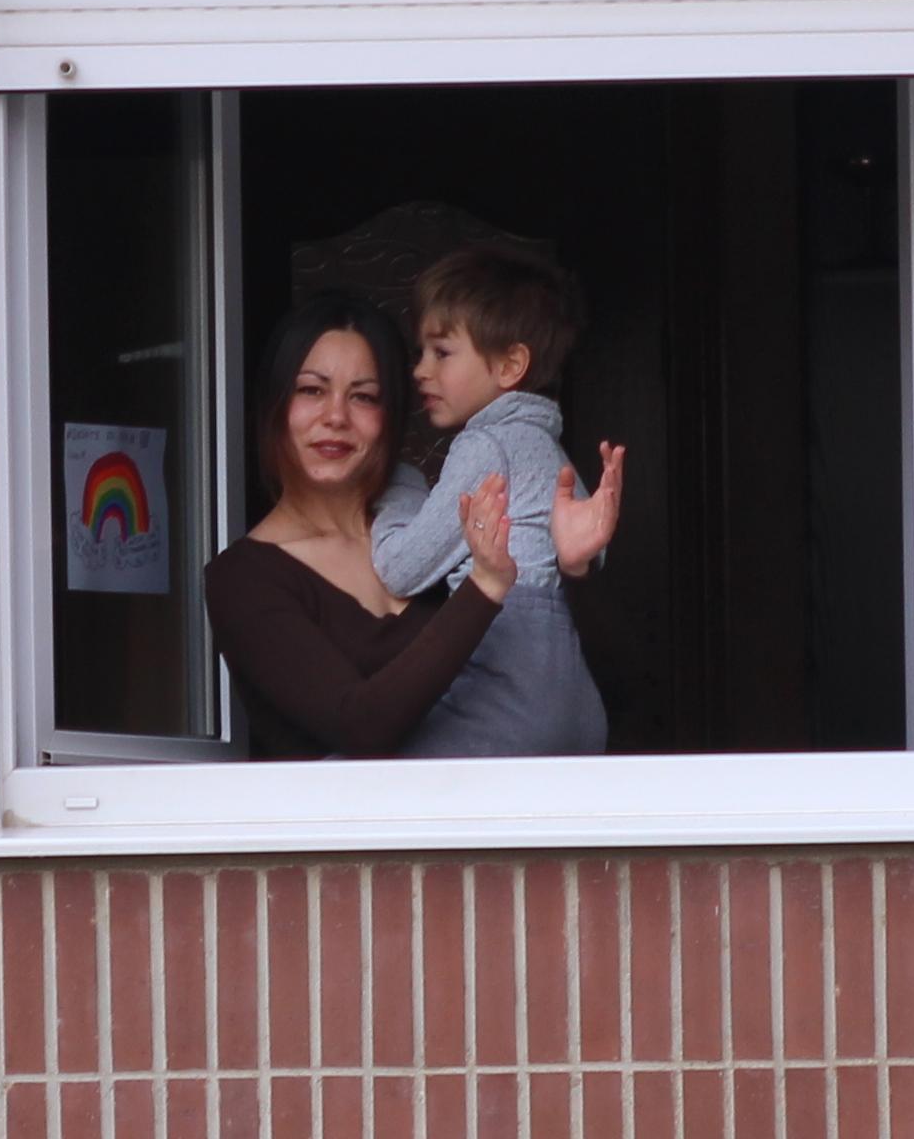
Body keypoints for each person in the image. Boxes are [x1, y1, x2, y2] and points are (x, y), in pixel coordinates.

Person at [202, 297, 619, 759]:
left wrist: (572, 564)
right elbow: (361, 726)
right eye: (312, 391)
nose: (335, 417)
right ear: (275, 406)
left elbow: (560, 685)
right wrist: (483, 588)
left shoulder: (436, 528)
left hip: (525, 811)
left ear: (391, 415)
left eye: (363, 396)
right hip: (364, 829)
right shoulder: (244, 578)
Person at [368, 240, 610, 758]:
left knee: (356, 776)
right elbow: (584, 547)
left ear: (509, 366)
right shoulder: (549, 448)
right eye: (419, 353)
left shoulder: (485, 444)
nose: (419, 371)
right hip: (573, 704)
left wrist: (396, 482)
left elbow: (401, 568)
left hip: (506, 693)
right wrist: (578, 563)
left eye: (442, 352)